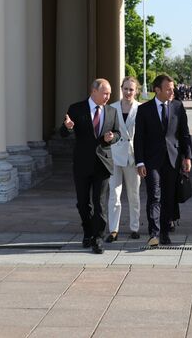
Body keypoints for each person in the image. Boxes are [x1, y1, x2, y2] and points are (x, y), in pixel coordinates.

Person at [60, 78, 120, 254]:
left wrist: (112, 138)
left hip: (103, 163)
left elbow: (117, 133)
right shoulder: (76, 109)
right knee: (83, 203)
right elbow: (63, 132)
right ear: (93, 91)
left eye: (109, 93)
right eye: (105, 93)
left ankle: (98, 237)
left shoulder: (111, 111)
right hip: (82, 163)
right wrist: (68, 127)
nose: (108, 97)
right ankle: (88, 232)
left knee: (99, 203)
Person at [134, 74, 192, 247]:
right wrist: (140, 162)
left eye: (172, 88)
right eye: (168, 88)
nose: (171, 91)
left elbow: (184, 133)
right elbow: (139, 138)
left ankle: (165, 232)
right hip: (151, 161)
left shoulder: (177, 107)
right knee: (154, 195)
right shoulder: (144, 109)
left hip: (172, 159)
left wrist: (187, 156)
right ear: (157, 90)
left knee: (168, 196)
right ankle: (154, 233)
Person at [106, 76, 141, 242]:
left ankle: (134, 227)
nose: (128, 92)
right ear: (121, 89)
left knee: (134, 194)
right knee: (114, 194)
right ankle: (113, 229)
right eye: (125, 88)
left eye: (131, 89)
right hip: (114, 155)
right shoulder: (111, 108)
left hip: (133, 157)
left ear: (136, 91)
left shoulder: (141, 109)